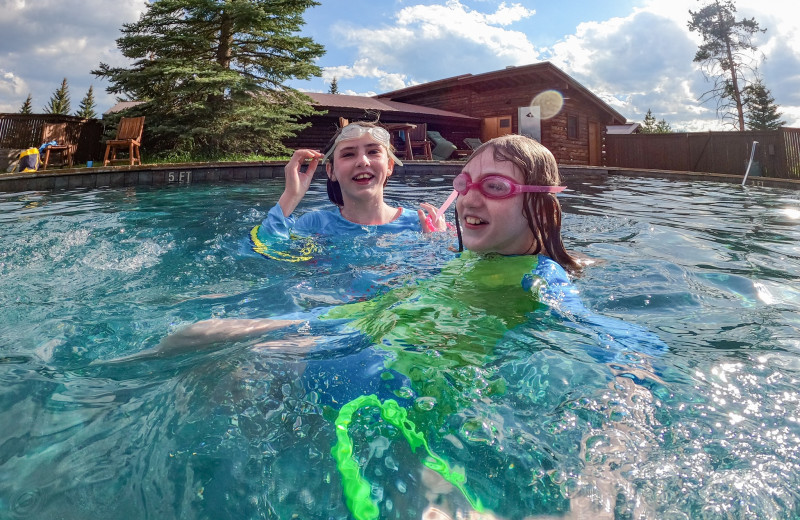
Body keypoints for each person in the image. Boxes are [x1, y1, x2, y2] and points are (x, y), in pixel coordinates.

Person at [153, 135, 666, 520]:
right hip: (353, 339)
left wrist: (604, 472)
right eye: (463, 184)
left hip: (394, 388)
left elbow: (627, 349)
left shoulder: (536, 276)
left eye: (493, 186)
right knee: (192, 338)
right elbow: (264, 255)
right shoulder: (457, 259)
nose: (468, 198)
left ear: (541, 204)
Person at [254, 121, 445, 245]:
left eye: (373, 152)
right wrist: (290, 197)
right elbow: (264, 254)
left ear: (389, 166)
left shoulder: (422, 224)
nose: (363, 161)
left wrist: (437, 244)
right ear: (331, 171)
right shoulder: (314, 225)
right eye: (348, 154)